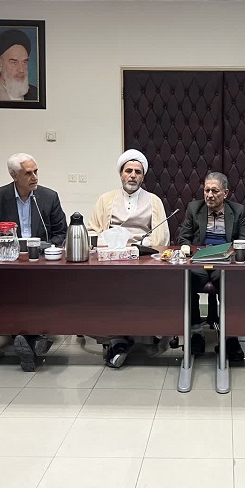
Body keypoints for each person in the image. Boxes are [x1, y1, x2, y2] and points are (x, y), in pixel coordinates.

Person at [0, 153, 67, 371]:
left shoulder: (48, 197)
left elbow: (61, 232)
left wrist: (47, 247)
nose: (34, 177)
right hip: (9, 264)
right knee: (15, 287)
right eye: (28, 173)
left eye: (36, 171)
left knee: (36, 286)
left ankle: (26, 337)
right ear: (14, 175)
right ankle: (34, 339)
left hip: (41, 262)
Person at [88, 149, 171, 368]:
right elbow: (93, 231)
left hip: (144, 259)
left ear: (143, 176)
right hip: (112, 258)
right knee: (107, 290)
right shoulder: (105, 199)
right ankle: (116, 337)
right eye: (128, 171)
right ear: (121, 174)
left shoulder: (154, 201)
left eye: (137, 172)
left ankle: (142, 332)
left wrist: (142, 247)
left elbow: (161, 236)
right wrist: (111, 243)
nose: (133, 175)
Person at [177, 172, 245, 362]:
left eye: (215, 191)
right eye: (206, 190)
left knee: (232, 284)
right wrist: (187, 248)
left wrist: (229, 254)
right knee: (188, 280)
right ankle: (196, 332)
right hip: (199, 260)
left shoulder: (238, 210)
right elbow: (183, 237)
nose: (209, 195)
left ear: (225, 193)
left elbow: (243, 239)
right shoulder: (194, 208)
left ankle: (231, 336)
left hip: (225, 261)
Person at [0, 29, 38, 101]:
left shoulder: (36, 93)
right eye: (14, 63)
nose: (21, 70)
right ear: (0, 64)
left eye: (24, 62)